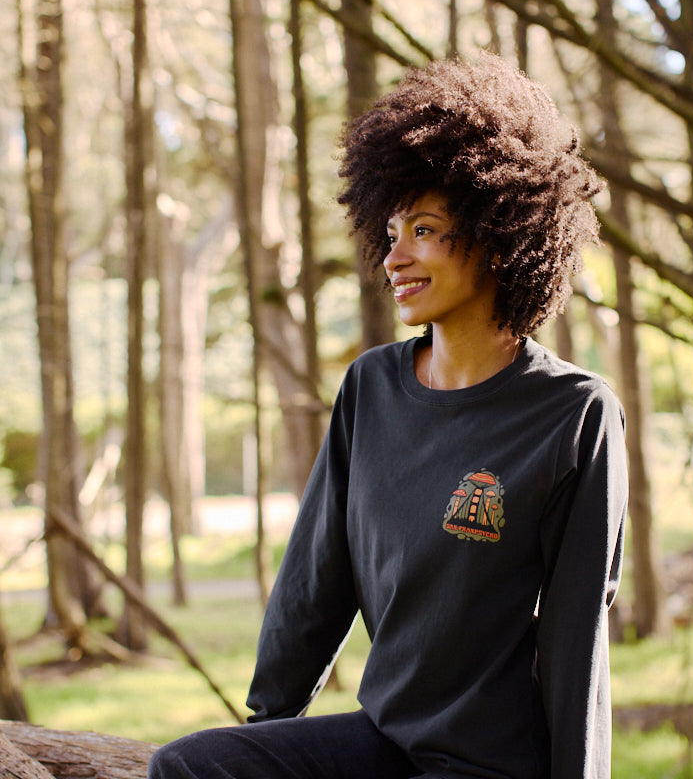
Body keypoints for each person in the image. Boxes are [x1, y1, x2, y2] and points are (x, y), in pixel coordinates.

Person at [149, 53, 627, 779]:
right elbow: (314, 585)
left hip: (491, 766)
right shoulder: (371, 388)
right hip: (382, 744)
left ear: (500, 234)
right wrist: (269, 736)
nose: (393, 256)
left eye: (425, 230)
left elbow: (575, 642)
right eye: (392, 229)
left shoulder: (574, 416)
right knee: (191, 767)